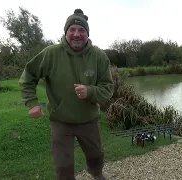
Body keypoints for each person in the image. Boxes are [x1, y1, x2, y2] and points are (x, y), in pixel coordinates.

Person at [18, 8, 114, 180]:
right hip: (61, 121)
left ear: (87, 33)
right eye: (72, 29)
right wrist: (32, 103)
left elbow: (108, 88)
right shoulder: (51, 54)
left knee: (96, 157)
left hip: (89, 120)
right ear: (66, 32)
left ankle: (97, 175)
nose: (76, 34)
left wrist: (90, 91)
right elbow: (28, 76)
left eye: (81, 30)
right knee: (63, 166)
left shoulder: (99, 56)